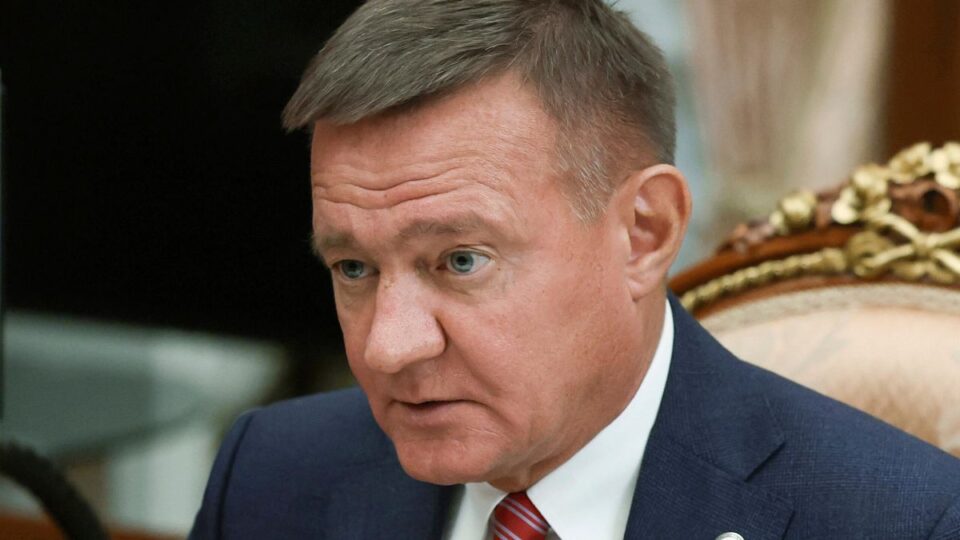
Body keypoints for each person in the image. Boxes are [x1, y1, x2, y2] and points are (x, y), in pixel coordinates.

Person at [190, 1, 960, 538]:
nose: (388, 347)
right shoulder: (273, 474)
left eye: (460, 261)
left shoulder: (898, 520)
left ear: (644, 233)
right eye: (354, 267)